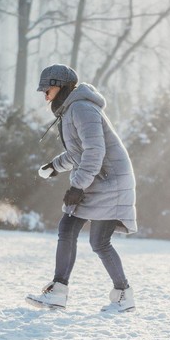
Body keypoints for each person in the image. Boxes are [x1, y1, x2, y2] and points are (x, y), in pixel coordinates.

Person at [26, 64, 138, 312]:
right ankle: (118, 294)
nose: (44, 94)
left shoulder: (82, 108)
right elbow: (79, 152)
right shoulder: (72, 109)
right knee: (89, 237)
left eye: (48, 88)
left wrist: (77, 186)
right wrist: (55, 166)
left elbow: (94, 152)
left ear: (61, 86)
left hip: (110, 181)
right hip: (103, 179)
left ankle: (65, 290)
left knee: (83, 233)